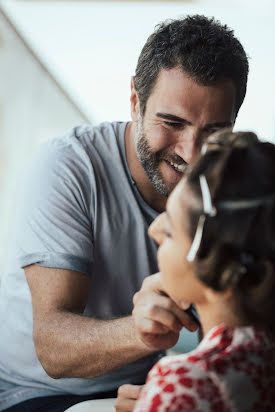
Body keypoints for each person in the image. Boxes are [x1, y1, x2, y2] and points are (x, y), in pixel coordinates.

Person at [0, 15, 248, 412]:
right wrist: (141, 331)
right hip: (32, 393)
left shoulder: (228, 186)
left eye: (214, 133)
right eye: (172, 123)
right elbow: (52, 349)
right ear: (135, 101)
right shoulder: (68, 166)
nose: (192, 153)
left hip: (141, 386)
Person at [122, 130, 275, 411]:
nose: (154, 230)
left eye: (169, 231)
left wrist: (161, 399)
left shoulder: (184, 384)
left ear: (219, 266)